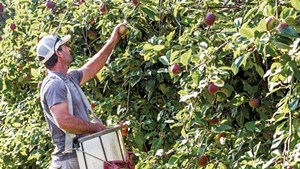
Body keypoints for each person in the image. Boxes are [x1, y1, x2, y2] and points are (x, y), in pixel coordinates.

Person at [37, 23, 125, 169]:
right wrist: (96, 128)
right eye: (65, 46)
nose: (69, 48)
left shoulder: (69, 78)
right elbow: (64, 121)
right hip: (68, 162)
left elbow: (91, 68)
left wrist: (113, 40)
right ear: (58, 53)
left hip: (82, 156)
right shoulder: (54, 84)